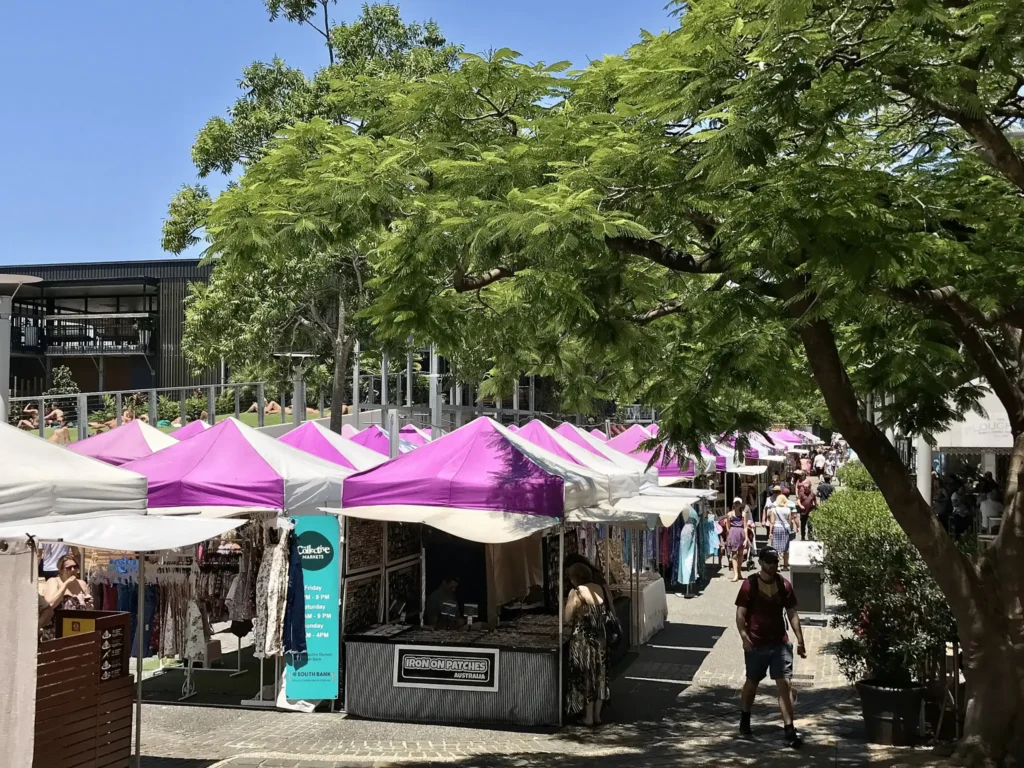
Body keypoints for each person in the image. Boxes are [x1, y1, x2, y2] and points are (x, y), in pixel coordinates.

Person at [736, 547, 807, 747]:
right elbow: (740, 614)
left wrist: (800, 640)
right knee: (752, 683)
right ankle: (745, 717)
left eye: (775, 561)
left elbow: (792, 613)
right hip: (756, 644)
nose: (773, 565)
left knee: (785, 684)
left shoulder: (784, 585)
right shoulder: (749, 584)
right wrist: (744, 637)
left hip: (780, 644)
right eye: (769, 561)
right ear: (760, 562)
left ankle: (789, 729)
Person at [564, 563, 610, 726]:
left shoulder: (576, 593)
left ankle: (588, 717)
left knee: (585, 676)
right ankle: (597, 715)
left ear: (574, 578)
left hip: (582, 641)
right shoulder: (599, 588)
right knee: (599, 676)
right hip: (600, 639)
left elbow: (567, 618)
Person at [39, 554, 93, 642]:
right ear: (60, 570)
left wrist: (90, 605)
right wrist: (66, 584)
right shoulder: (53, 581)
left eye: (75, 567)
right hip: (57, 631)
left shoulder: (82, 584)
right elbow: (50, 604)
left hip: (78, 630)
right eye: (69, 568)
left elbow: (89, 611)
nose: (73, 570)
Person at [725, 498, 753, 582]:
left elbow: (745, 526)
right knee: (734, 554)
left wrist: (746, 538)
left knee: (741, 554)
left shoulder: (743, 514)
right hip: (733, 533)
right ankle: (735, 574)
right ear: (733, 504)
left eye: (738, 503)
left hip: (741, 533)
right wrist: (729, 534)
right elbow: (728, 525)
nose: (737, 504)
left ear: (741, 504)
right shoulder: (729, 514)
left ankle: (739, 571)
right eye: (735, 503)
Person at [767, 495, 797, 570]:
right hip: (785, 529)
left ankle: (776, 565)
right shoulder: (788, 510)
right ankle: (785, 565)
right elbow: (790, 521)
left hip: (777, 528)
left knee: (776, 548)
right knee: (786, 548)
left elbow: (772, 522)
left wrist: (770, 532)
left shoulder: (773, 510)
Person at [795, 471, 816, 541]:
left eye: (807, 487)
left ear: (809, 487)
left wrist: (815, 507)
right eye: (804, 487)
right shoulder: (801, 493)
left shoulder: (812, 494)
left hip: (810, 511)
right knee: (803, 524)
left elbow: (815, 501)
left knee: (810, 524)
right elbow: (798, 500)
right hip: (803, 511)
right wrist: (800, 505)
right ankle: (803, 536)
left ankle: (810, 536)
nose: (806, 488)